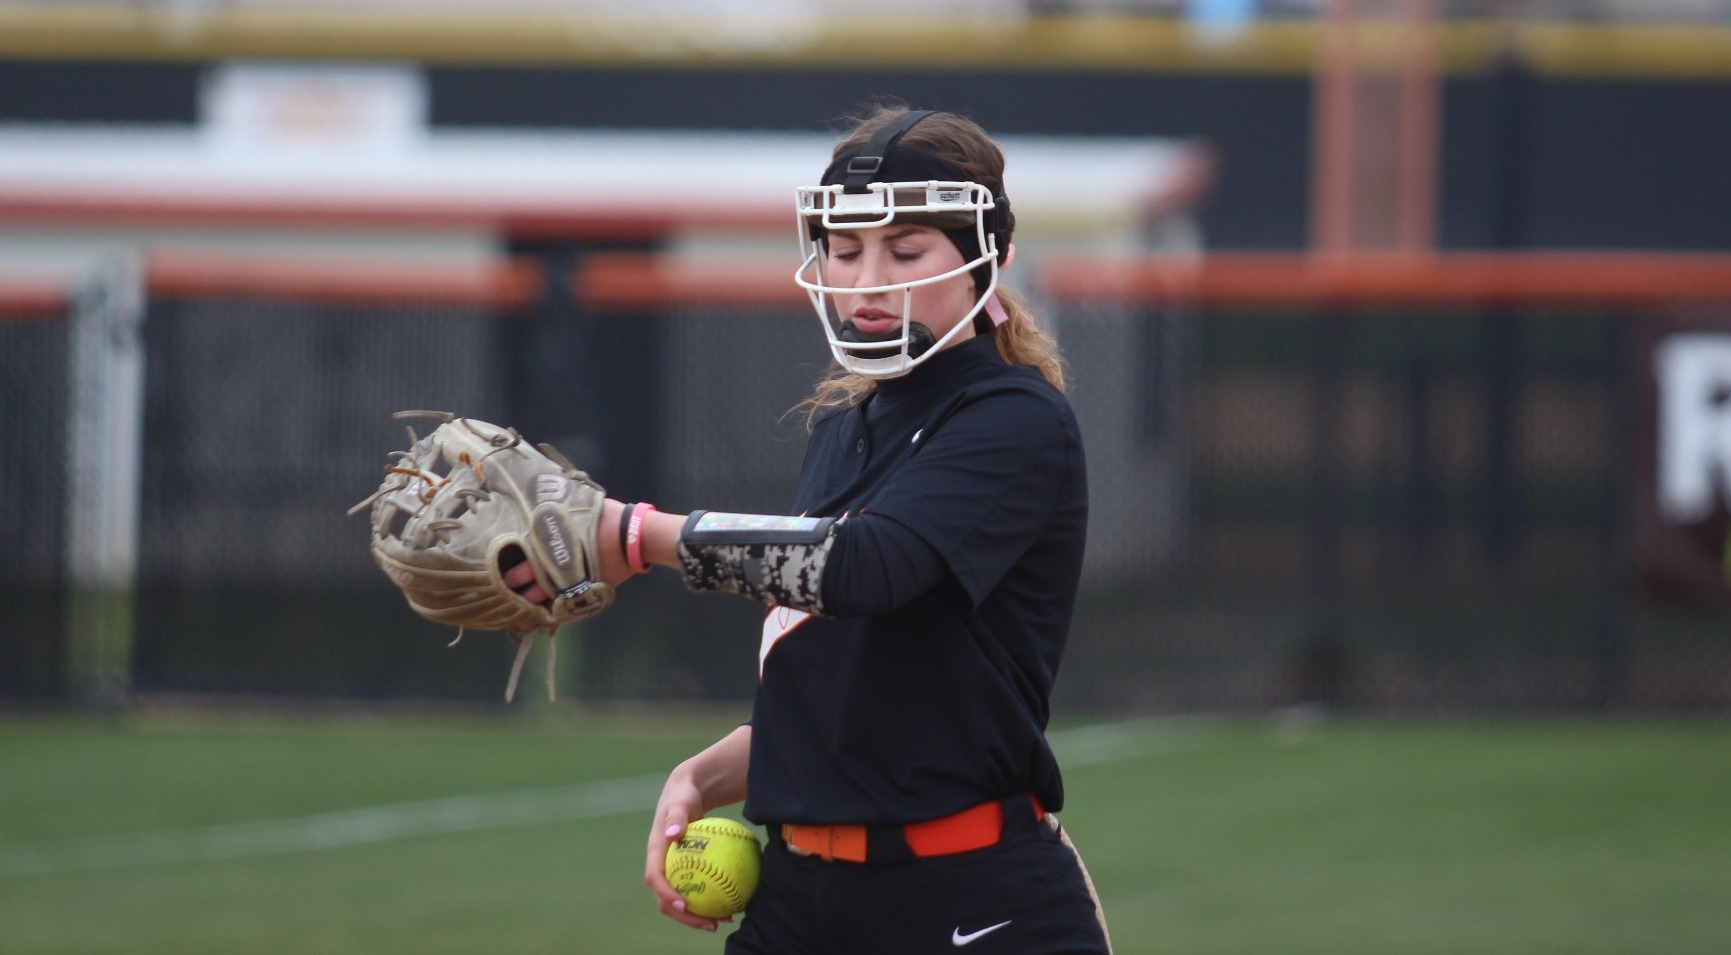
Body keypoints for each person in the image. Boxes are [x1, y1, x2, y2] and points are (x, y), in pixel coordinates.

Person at [507, 105, 1110, 954]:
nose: (866, 281)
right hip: (799, 901)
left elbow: (861, 569)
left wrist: (634, 534)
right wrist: (703, 773)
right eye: (845, 248)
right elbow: (838, 681)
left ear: (991, 252)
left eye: (905, 251)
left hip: (969, 896)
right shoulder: (844, 428)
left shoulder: (1013, 418)